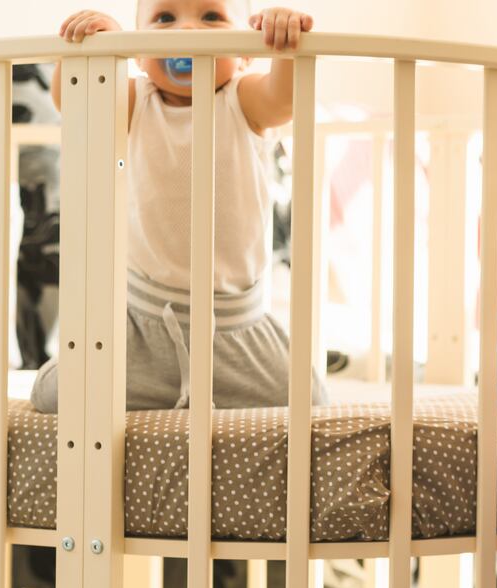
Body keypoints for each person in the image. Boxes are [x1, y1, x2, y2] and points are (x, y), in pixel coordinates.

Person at [30, 0, 328, 411]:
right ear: (137, 52)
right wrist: (97, 48)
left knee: (309, 405)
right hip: (142, 325)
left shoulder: (244, 101)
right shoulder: (134, 101)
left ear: (245, 53)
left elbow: (284, 98)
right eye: (164, 19)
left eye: (212, 17)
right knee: (54, 394)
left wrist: (285, 42)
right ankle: (162, 391)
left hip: (235, 329)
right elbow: (77, 102)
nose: (187, 31)